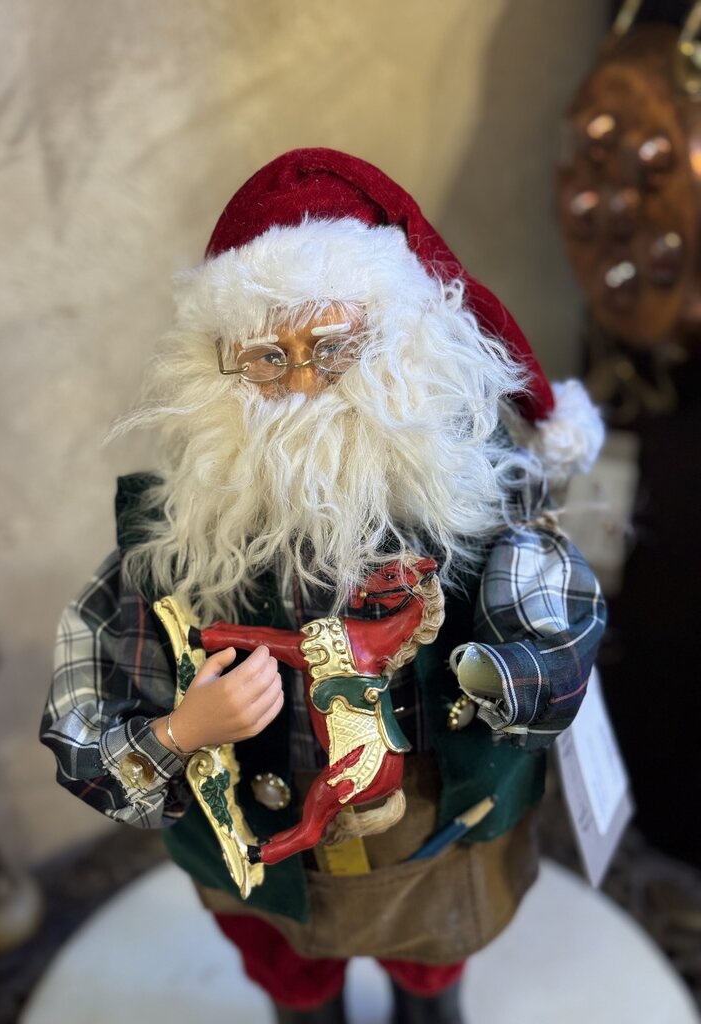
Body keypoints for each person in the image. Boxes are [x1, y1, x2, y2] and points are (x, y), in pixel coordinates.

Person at [41, 149, 606, 1024]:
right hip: (267, 864)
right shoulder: (176, 544)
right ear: (217, 372)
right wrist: (183, 730)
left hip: (439, 839)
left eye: (334, 347)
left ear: (403, 344)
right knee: (294, 988)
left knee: (431, 977)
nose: (304, 383)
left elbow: (559, 618)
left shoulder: (472, 499)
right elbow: (80, 725)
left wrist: (505, 673)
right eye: (269, 358)